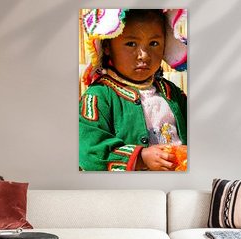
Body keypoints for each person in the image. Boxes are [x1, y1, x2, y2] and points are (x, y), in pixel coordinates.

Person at [79, 9, 187, 171]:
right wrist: (141, 157)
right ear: (107, 46)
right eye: (131, 44)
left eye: (154, 43)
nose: (144, 55)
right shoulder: (99, 96)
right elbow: (88, 148)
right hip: (132, 191)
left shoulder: (171, 92)